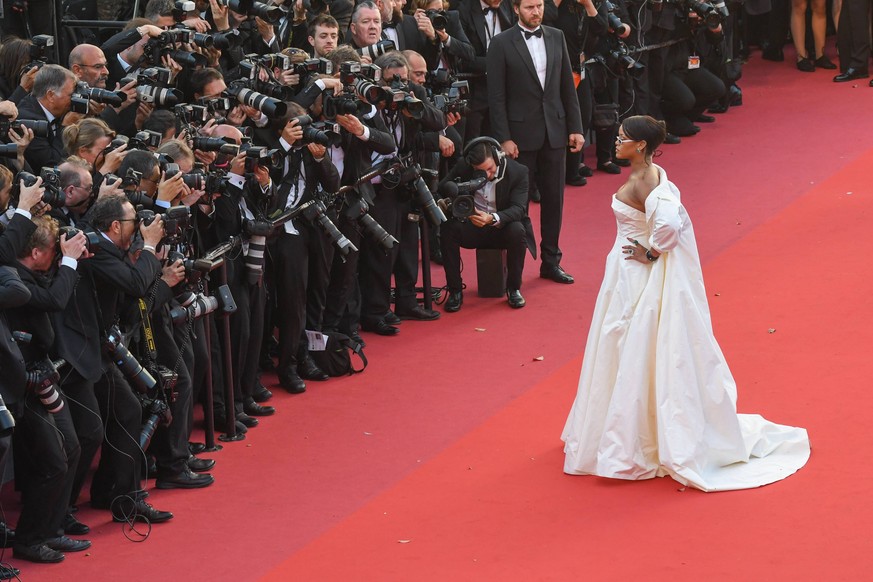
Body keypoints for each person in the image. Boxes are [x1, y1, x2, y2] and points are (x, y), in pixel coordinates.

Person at [560, 115, 810, 491]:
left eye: (623, 138)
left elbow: (669, 225)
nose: (616, 141)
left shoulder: (644, 181)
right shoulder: (653, 172)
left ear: (640, 146)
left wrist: (652, 250)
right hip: (628, 273)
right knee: (625, 347)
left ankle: (631, 442)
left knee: (627, 346)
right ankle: (627, 433)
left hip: (633, 278)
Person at [486, 0, 584, 285]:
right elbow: (497, 97)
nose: (536, 11)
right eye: (529, 6)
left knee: (555, 200)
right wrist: (504, 137)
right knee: (518, 205)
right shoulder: (501, 43)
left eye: (539, 5)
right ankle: (513, 270)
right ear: (516, 9)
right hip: (519, 137)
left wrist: (575, 127)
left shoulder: (556, 36)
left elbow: (567, 83)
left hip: (554, 130)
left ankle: (551, 262)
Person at [438, 137, 535, 311]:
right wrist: (453, 200)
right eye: (481, 172)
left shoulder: (518, 172)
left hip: (501, 227)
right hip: (472, 226)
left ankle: (514, 288)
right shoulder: (464, 167)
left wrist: (493, 218)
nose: (488, 175)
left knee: (517, 230)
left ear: (498, 158)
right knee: (448, 228)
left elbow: (519, 209)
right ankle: (455, 291)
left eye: (490, 169)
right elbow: (442, 188)